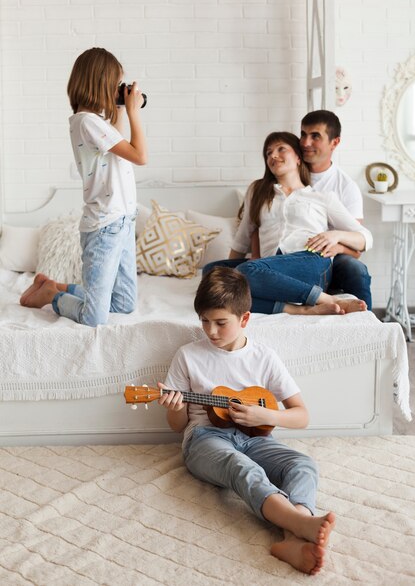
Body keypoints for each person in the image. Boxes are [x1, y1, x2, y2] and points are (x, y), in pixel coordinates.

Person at [158, 267, 336, 575]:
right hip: (205, 439)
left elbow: (301, 415)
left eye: (220, 322)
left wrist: (265, 415)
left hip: (257, 438)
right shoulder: (188, 355)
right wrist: (174, 406)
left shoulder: (264, 357)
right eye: (204, 321)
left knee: (303, 465)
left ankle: (292, 539)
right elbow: (177, 426)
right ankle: (300, 522)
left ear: (244, 319)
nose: (210, 331)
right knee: (242, 467)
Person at [19, 47, 147, 326]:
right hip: (104, 227)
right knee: (94, 317)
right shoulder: (86, 122)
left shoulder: (97, 123)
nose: (118, 90)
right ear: (99, 83)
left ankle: (58, 287)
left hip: (123, 222)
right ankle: (51, 295)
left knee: (123, 303)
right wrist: (135, 112)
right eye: (114, 84)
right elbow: (140, 155)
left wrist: (121, 108)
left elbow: (122, 144)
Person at [203, 131, 372, 316]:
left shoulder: (322, 198)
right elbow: (242, 238)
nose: (273, 156)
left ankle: (328, 299)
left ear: (298, 158)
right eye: (268, 153)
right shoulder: (258, 191)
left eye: (281, 149)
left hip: (311, 260)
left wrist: (335, 236)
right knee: (211, 274)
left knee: (243, 274)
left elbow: (365, 238)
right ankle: (301, 310)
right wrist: (226, 278)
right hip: (269, 265)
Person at [300, 110, 372, 308]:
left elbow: (357, 249)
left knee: (355, 268)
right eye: (303, 134)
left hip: (333, 259)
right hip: (295, 253)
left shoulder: (346, 187)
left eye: (315, 136)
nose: (305, 143)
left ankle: (366, 327)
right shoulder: (290, 173)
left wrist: (336, 244)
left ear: (335, 142)